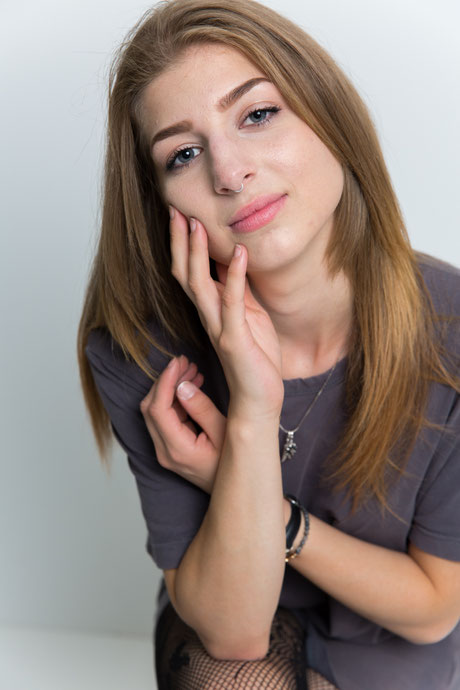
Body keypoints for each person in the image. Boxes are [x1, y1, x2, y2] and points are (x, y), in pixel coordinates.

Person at [77, 0, 460, 687]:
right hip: (233, 618)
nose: (228, 171)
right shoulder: (140, 349)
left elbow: (433, 607)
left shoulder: (453, 328)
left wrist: (269, 510)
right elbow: (234, 633)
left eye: (256, 115)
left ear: (327, 115)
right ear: (161, 202)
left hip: (390, 630)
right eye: (184, 153)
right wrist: (253, 405)